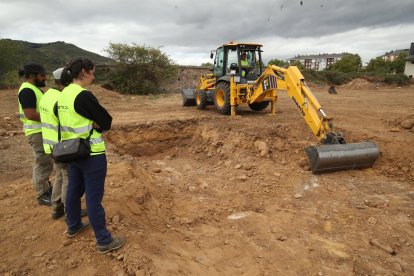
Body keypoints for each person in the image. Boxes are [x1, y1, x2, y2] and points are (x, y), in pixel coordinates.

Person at [58, 58, 125, 253]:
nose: (94, 77)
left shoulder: (63, 95)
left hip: (71, 152)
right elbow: (106, 122)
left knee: (73, 190)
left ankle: (73, 226)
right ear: (85, 72)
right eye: (93, 72)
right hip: (91, 154)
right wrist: (95, 123)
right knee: (93, 199)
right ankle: (104, 241)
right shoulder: (83, 96)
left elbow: (63, 119)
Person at [18, 63, 53, 206]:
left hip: (41, 131)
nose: (45, 77)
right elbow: (30, 114)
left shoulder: (34, 89)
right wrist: (52, 116)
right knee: (42, 162)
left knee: (46, 161)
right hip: (36, 132)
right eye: (42, 75)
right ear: (32, 76)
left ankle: (46, 188)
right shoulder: (27, 91)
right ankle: (42, 195)